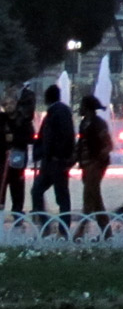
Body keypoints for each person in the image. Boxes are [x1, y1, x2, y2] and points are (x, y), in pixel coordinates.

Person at [30, 84, 74, 220]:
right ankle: (49, 224)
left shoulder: (58, 112)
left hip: (55, 162)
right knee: (41, 191)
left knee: (59, 195)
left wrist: (57, 156)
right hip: (51, 161)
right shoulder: (57, 112)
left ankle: (58, 227)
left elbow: (62, 136)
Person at [76, 95, 112, 234]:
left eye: (82, 106)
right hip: (86, 164)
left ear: (88, 108)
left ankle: (80, 232)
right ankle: (106, 232)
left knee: (89, 198)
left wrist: (97, 163)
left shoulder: (98, 124)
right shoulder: (84, 123)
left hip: (95, 165)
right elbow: (81, 144)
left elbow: (108, 145)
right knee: (95, 197)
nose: (79, 109)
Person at [2, 88, 34, 217]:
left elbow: (30, 138)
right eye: (6, 103)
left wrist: (14, 139)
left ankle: (18, 215)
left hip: (17, 160)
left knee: (17, 190)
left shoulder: (23, 121)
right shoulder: (2, 120)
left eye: (11, 103)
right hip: (2, 161)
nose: (9, 106)